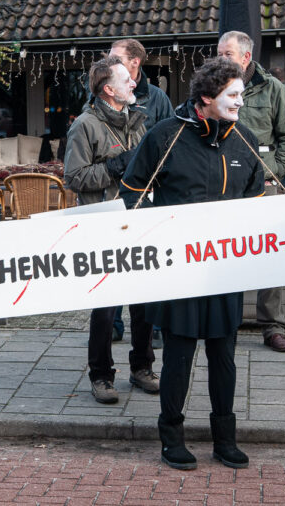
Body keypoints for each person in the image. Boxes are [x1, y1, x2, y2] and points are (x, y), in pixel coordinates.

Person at [120, 57, 262, 470]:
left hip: (224, 270)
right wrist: (157, 238)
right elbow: (132, 192)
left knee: (224, 357)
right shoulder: (165, 137)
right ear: (206, 98)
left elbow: (254, 204)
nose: (240, 101)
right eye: (232, 95)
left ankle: (225, 439)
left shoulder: (246, 141)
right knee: (179, 358)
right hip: (179, 271)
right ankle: (172, 438)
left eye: (241, 94)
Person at [64, 56, 159, 404]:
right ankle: (101, 375)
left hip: (137, 221)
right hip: (103, 224)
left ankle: (141, 368)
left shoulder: (138, 121)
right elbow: (73, 178)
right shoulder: (85, 126)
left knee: (144, 301)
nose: (134, 83)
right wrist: (116, 167)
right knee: (105, 305)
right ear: (108, 89)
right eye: (126, 80)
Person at [217, 31, 285, 353]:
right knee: (222, 254)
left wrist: (271, 172)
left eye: (227, 54)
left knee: (269, 255)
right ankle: (224, 322)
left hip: (264, 188)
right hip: (224, 186)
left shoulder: (273, 89)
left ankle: (272, 326)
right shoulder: (212, 90)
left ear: (245, 58)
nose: (221, 59)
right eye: (219, 53)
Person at [107, 39, 173, 348]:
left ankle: (154, 326)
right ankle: (114, 323)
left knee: (149, 260)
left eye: (115, 58)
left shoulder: (157, 98)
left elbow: (171, 141)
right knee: (116, 258)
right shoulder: (104, 93)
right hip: (115, 191)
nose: (109, 62)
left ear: (134, 63)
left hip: (149, 192)